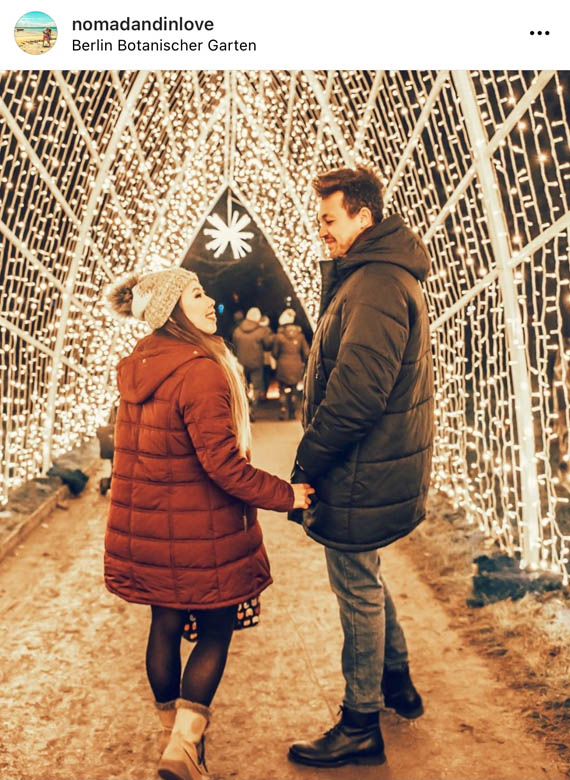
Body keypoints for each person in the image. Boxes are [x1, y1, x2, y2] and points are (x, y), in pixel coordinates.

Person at [104, 268, 313, 780]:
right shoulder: (199, 369)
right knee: (217, 626)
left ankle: (170, 738)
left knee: (166, 623)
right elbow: (223, 465)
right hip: (203, 532)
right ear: (171, 310)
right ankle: (184, 745)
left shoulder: (139, 363)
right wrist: (288, 495)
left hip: (152, 529)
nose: (210, 299)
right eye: (196, 293)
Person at [288, 166, 434, 767]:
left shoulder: (373, 282)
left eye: (328, 219)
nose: (320, 231)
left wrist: (307, 464)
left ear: (362, 218)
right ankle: (396, 681)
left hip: (358, 468)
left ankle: (360, 721)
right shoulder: (374, 276)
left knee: (355, 588)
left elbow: (357, 394)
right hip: (371, 466)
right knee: (364, 573)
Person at [231, 307, 273, 417]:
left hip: (241, 363)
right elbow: (268, 344)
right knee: (257, 386)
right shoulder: (261, 331)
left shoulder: (237, 330)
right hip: (256, 363)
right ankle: (253, 409)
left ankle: (246, 405)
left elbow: (234, 346)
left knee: (243, 385)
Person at [272, 308, 309, 420]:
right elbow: (306, 352)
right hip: (296, 365)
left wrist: (280, 358)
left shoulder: (279, 336)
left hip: (283, 365)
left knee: (282, 388)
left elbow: (274, 353)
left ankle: (283, 408)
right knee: (294, 389)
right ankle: (293, 410)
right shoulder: (300, 336)